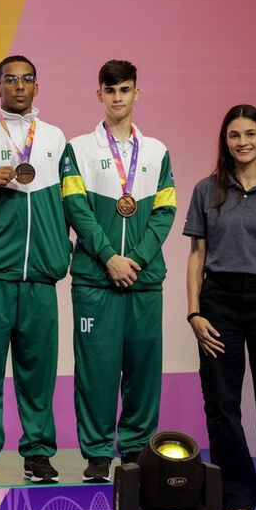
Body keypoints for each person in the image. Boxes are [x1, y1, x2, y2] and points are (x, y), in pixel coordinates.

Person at [60, 60, 176, 483]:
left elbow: (164, 213)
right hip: (95, 279)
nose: (118, 98)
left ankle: (135, 451)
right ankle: (95, 453)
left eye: (125, 90)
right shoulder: (79, 148)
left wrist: (138, 260)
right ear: (99, 95)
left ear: (136, 94)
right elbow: (77, 209)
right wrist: (110, 257)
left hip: (144, 281)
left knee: (143, 371)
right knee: (97, 369)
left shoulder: (158, 151)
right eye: (110, 91)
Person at [0, 55, 69, 486]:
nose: (19, 86)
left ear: (37, 87)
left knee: (38, 372)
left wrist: (64, 251)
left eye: (27, 80)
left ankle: (38, 453)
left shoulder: (57, 139)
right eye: (10, 80)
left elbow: (71, 202)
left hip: (41, 276)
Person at [184, 104, 256, 510]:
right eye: (233, 135)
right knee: (222, 404)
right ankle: (238, 494)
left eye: (249, 134)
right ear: (225, 141)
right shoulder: (208, 190)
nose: (241, 142)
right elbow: (196, 256)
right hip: (219, 301)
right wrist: (194, 314)